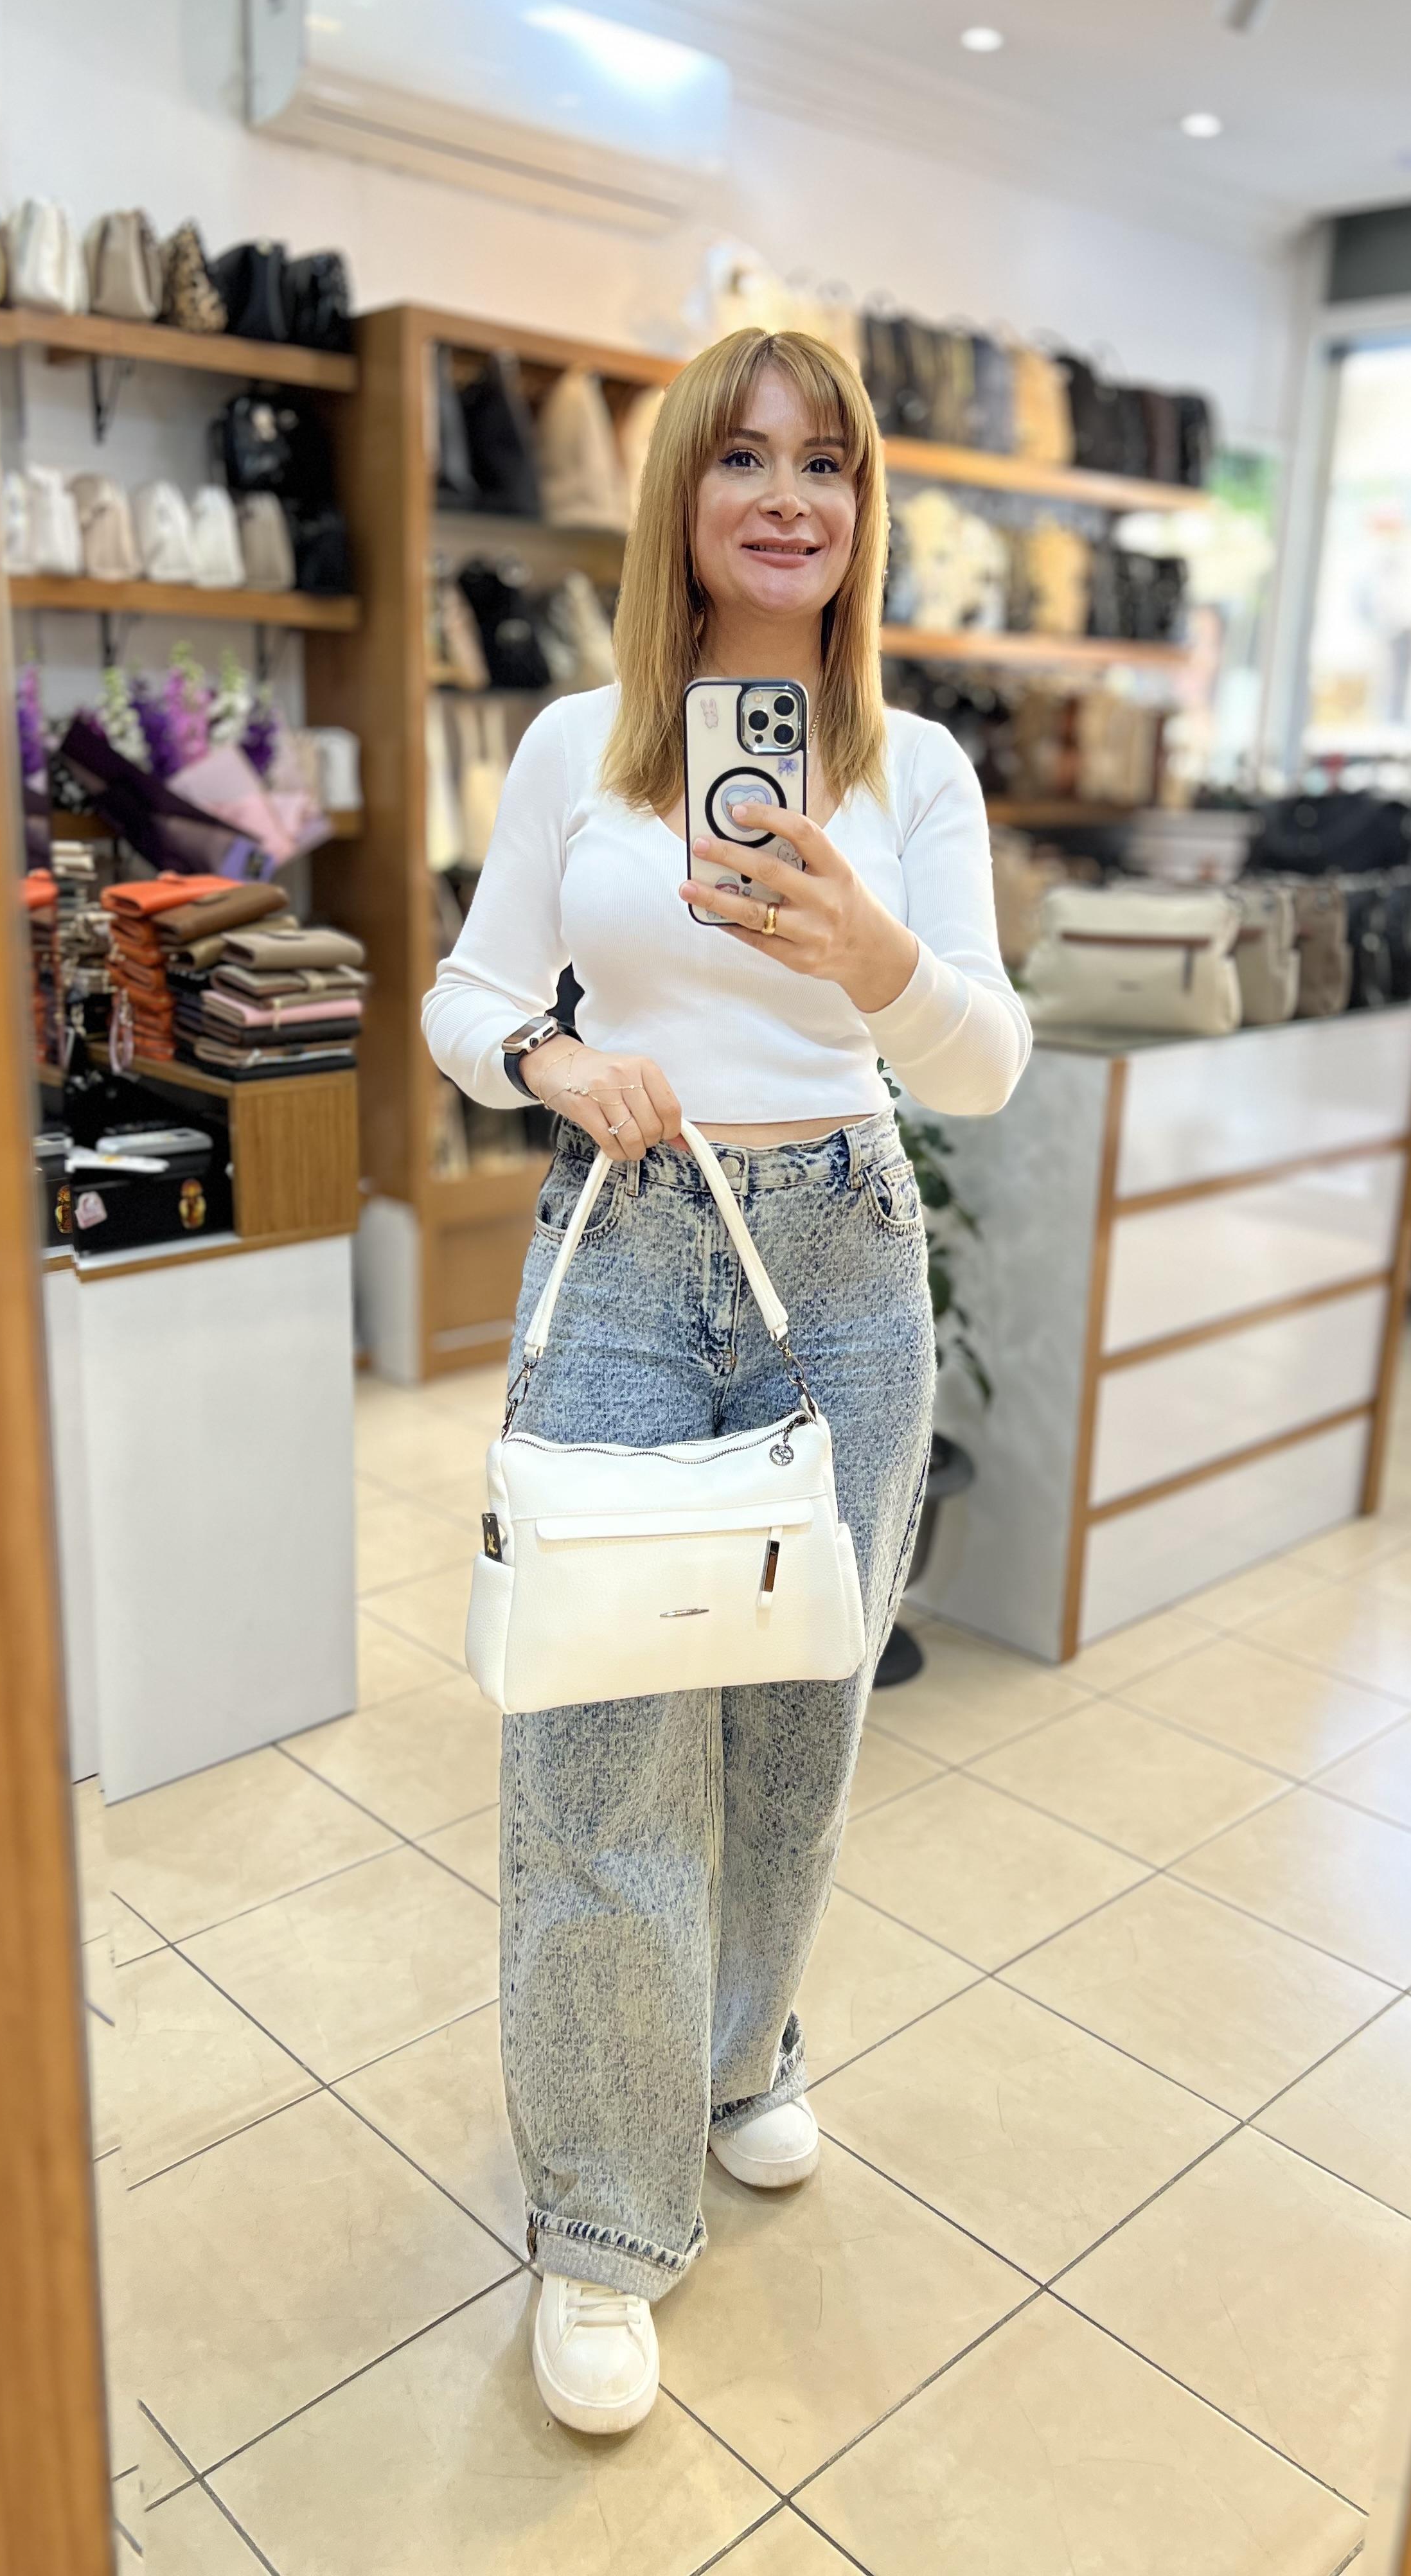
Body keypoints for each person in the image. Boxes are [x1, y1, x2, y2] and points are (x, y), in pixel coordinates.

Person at [422, 326, 1031, 2433]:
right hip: (624, 1240)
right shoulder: (577, 747)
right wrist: (551, 1056)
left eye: (829, 464)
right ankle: (603, 2216)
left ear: (865, 509)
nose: (790, 498)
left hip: (843, 1256)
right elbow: (467, 991)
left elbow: (985, 1062)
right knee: (599, 1736)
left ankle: (743, 2044)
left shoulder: (913, 771)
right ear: (681, 489)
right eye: (747, 458)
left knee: (798, 1720)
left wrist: (875, 956)